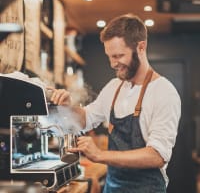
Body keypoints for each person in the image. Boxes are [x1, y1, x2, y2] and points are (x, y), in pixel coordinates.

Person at [50, 14, 181, 193]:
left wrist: (100, 155)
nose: (113, 64)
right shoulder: (115, 87)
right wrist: (66, 107)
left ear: (141, 47)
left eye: (119, 56)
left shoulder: (164, 92)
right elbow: (85, 119)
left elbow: (157, 156)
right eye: (109, 56)